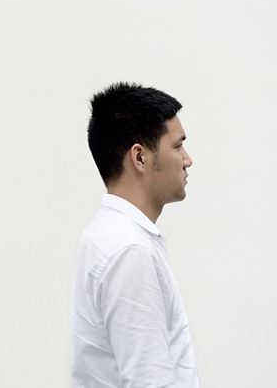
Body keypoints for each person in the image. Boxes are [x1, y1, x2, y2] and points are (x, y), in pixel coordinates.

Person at [71, 82, 201, 387]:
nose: (187, 160)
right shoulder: (129, 250)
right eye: (177, 146)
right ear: (140, 157)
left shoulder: (108, 236)